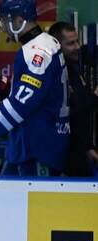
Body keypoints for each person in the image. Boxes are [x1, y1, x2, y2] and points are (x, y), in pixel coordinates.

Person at [0, 0, 70, 176]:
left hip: (38, 147)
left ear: (19, 21)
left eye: (5, 20)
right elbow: (34, 91)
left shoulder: (38, 52)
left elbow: (23, 102)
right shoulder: (43, 44)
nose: (2, 27)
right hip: (31, 143)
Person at [48, 21, 98, 177]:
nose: (77, 47)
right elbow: (70, 113)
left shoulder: (74, 68)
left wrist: (88, 147)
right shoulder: (54, 74)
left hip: (79, 153)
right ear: (57, 46)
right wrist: (95, 96)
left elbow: (82, 118)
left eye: (77, 41)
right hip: (63, 157)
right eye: (70, 43)